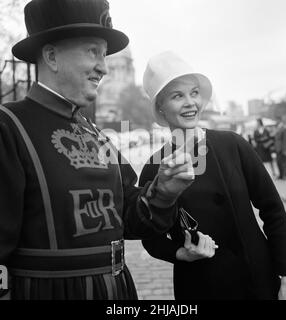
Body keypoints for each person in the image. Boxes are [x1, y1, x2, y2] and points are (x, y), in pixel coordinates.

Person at [0, 0, 195, 300]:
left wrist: (164, 191)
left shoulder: (94, 131)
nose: (103, 67)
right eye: (93, 51)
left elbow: (130, 217)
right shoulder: (8, 126)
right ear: (51, 56)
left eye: (104, 55)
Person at [139, 51, 286, 300]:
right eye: (177, 96)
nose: (190, 103)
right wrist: (181, 253)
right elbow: (150, 237)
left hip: (257, 280)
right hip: (199, 284)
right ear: (160, 105)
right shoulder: (154, 167)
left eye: (194, 93)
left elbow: (273, 209)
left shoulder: (233, 145)